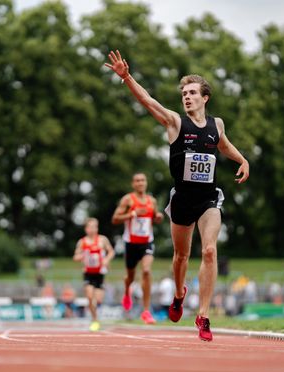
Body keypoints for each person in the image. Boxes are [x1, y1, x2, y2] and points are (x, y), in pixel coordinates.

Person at [105, 50, 249, 341]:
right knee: (181, 256)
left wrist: (243, 160)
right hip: (182, 199)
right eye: (184, 93)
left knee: (209, 251)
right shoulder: (175, 123)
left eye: (192, 92)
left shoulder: (216, 124)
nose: (186, 97)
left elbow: (223, 146)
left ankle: (204, 316)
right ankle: (180, 294)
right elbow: (147, 101)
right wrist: (127, 77)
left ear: (204, 98)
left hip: (208, 199)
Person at [111, 172, 164, 324]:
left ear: (146, 183)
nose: (140, 183)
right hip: (131, 243)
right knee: (130, 278)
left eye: (143, 180)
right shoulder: (128, 200)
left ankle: (146, 311)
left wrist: (158, 217)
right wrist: (132, 213)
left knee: (147, 271)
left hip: (147, 242)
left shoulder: (151, 201)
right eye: (137, 181)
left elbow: (154, 217)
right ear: (133, 184)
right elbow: (115, 219)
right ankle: (127, 291)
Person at [73, 218, 115, 331]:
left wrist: (106, 259)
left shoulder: (102, 240)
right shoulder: (82, 242)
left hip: (100, 273)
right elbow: (75, 257)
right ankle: (94, 319)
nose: (92, 229)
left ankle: (96, 315)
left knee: (99, 300)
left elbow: (111, 251)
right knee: (90, 296)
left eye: (95, 227)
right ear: (86, 229)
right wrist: (81, 256)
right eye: (90, 227)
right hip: (88, 273)